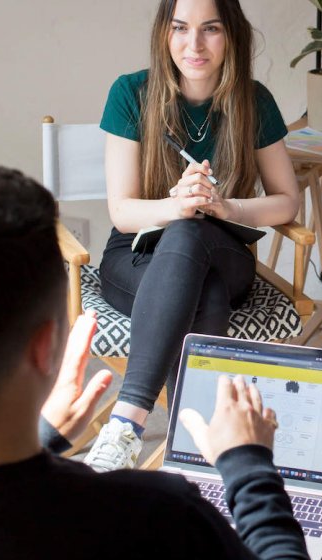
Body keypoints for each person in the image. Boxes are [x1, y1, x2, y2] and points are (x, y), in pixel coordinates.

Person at [0, 165, 322, 559]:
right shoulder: (159, 514)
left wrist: (45, 443)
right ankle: (177, 435)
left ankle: (128, 421)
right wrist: (249, 467)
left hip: (202, 247)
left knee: (202, 272)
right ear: (48, 346)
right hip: (155, 255)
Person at [84, 0, 302, 471]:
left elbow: (287, 199)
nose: (194, 44)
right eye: (180, 28)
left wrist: (224, 207)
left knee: (192, 235)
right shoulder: (131, 93)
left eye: (211, 30)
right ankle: (195, 448)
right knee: (203, 285)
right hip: (138, 252)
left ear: (232, 37)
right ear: (165, 33)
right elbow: (123, 213)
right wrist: (178, 206)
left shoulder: (254, 99)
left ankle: (127, 422)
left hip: (223, 246)